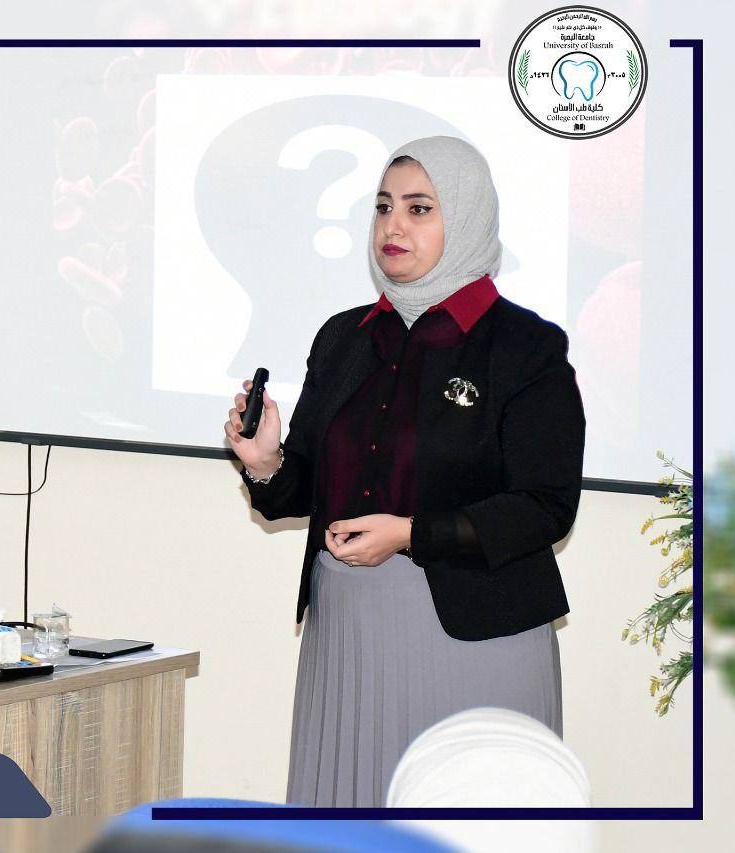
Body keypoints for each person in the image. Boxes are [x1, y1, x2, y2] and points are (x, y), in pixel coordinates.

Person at [223, 135, 586, 808]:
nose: (393, 226)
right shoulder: (345, 337)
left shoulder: (525, 347)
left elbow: (546, 506)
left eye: (420, 208)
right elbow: (306, 487)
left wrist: (411, 533)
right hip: (347, 635)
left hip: (474, 635)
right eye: (384, 206)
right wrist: (266, 462)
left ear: (467, 216)